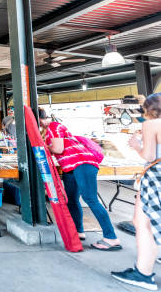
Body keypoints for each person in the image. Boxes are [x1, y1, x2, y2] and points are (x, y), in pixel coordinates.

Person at [39, 108, 121, 251]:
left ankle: (111, 237)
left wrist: (43, 147)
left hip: (82, 164)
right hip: (70, 167)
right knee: (72, 200)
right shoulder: (50, 130)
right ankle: (78, 231)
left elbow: (58, 149)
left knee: (91, 199)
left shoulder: (53, 126)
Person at [112, 93, 161, 290]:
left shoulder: (151, 124)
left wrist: (136, 146)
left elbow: (148, 155)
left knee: (142, 222)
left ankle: (142, 273)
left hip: (156, 177)